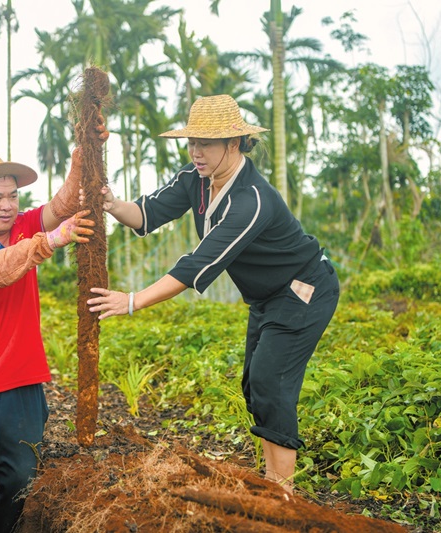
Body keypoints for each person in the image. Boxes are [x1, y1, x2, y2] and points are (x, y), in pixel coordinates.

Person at [86, 94, 340, 494]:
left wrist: (132, 300)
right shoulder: (195, 179)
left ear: (234, 143)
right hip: (266, 297)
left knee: (270, 380)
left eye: (206, 143)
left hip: (304, 289)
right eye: (192, 143)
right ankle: (272, 482)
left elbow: (198, 264)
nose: (196, 152)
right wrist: (113, 205)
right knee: (254, 385)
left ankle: (283, 493)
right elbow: (148, 213)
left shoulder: (251, 200)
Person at [0, 128, 105, 532]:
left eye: (13, 196)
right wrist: (50, 241)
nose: (9, 206)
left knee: (21, 479)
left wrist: (85, 152)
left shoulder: (26, 225)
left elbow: (64, 202)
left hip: (23, 381)